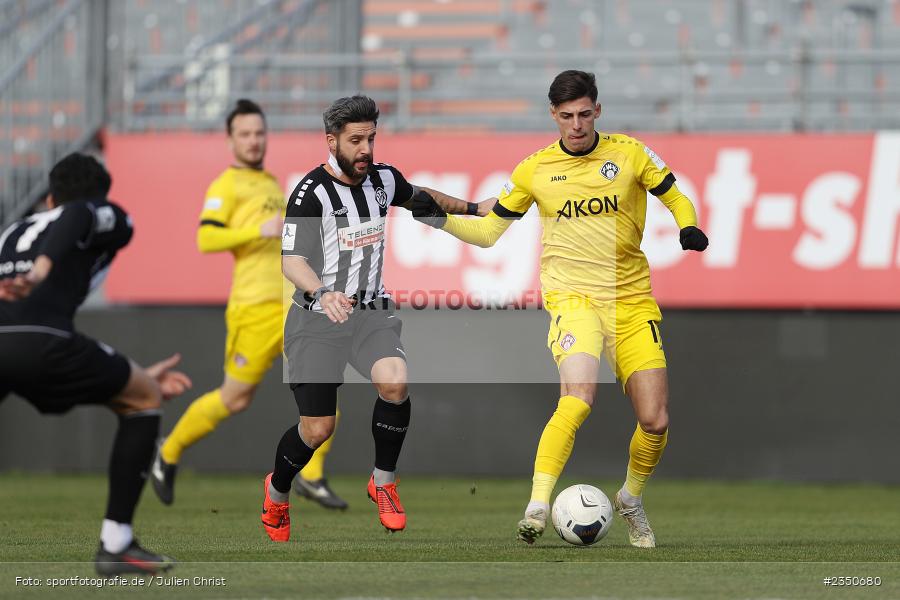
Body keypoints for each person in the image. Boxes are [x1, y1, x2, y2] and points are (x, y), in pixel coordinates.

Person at [411, 70, 709, 547]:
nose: (576, 125)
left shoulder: (629, 153)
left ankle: (630, 499)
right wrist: (438, 219)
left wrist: (687, 226)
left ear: (598, 111)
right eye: (566, 116)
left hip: (631, 301)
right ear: (553, 115)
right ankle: (537, 506)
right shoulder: (535, 170)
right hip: (573, 300)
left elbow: (675, 195)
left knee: (655, 420)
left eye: (584, 114)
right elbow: (489, 233)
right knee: (578, 398)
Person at [262, 95, 490, 542]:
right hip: (316, 320)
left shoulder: (383, 179)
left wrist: (475, 208)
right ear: (332, 142)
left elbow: (421, 198)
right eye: (355, 140)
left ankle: (383, 482)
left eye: (370, 138)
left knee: (396, 382)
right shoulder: (310, 194)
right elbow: (291, 261)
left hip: (370, 313)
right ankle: (277, 488)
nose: (366, 149)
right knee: (317, 429)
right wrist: (323, 292)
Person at [150, 99, 348, 510]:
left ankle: (310, 476)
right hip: (253, 308)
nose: (254, 141)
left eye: (259, 133)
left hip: (291, 305)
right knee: (234, 398)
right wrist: (255, 228)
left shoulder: (271, 183)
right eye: (245, 134)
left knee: (323, 389)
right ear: (230, 140)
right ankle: (168, 451)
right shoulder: (227, 185)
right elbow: (207, 239)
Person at [0, 153, 192, 574]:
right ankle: (117, 543)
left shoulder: (14, 229)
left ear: (49, 197)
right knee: (143, 397)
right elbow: (81, 215)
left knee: (138, 382)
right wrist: (39, 273)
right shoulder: (98, 212)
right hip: (41, 340)